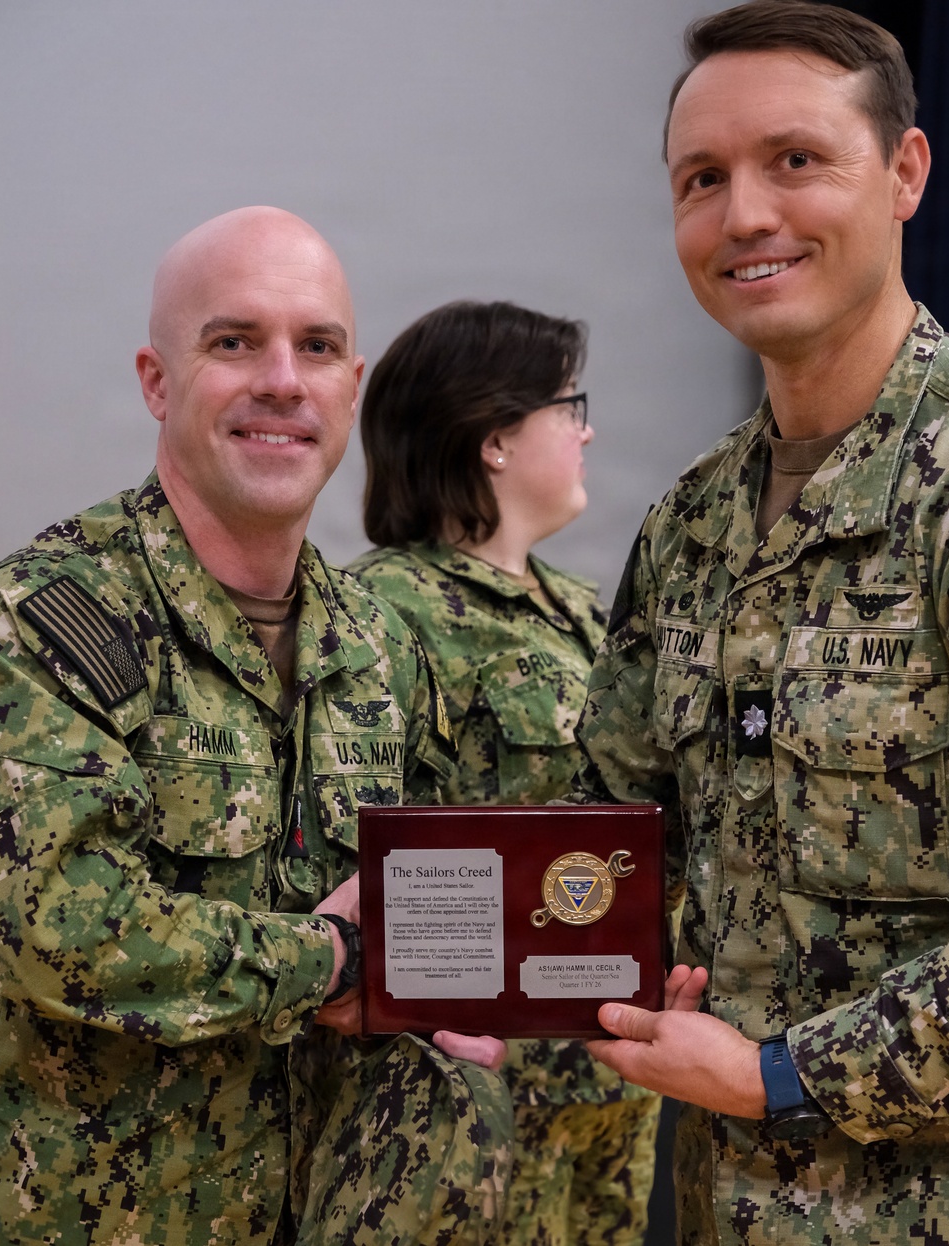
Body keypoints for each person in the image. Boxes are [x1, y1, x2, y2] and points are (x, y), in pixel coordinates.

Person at [0, 206, 509, 1246]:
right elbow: (63, 931)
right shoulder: (38, 628)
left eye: (316, 346)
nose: (281, 378)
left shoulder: (383, 643)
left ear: (351, 388)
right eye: (234, 342)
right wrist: (335, 961)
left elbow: (448, 888)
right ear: (156, 381)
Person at [572, 2, 949, 1243]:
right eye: (703, 179)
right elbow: (607, 821)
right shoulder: (696, 521)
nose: (744, 214)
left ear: (906, 172)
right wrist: (426, 945)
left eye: (794, 160)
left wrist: (777, 1076)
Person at [349, 299, 661, 1245]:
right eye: (569, 407)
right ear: (493, 437)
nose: (587, 428)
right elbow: (359, 843)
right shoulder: (384, 611)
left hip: (608, 1070)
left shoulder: (582, 609)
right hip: (475, 1094)